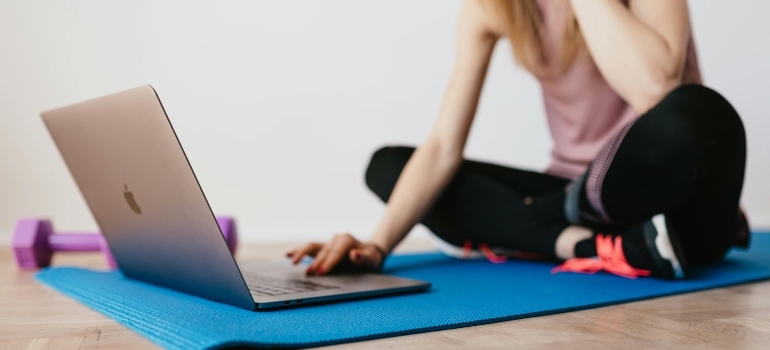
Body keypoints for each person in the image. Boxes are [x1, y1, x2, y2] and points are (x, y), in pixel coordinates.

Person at [286, 0, 748, 279]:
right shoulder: (492, 7)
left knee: (700, 111)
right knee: (388, 166)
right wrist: (379, 245)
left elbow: (655, 88)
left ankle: (526, 230)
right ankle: (587, 246)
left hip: (665, 195)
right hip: (569, 192)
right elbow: (444, 146)